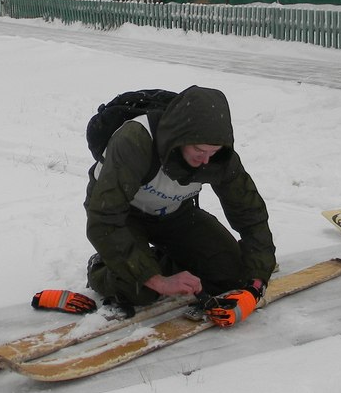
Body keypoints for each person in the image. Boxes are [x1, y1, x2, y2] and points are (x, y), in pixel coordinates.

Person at [84, 85, 276, 326]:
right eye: (198, 150)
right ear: (179, 138)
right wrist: (156, 279)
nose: (206, 160)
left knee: (231, 272)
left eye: (213, 152)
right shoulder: (134, 140)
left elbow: (250, 212)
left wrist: (256, 283)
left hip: (175, 213)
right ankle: (102, 265)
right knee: (139, 290)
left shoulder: (220, 156)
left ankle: (153, 259)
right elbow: (104, 218)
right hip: (124, 217)